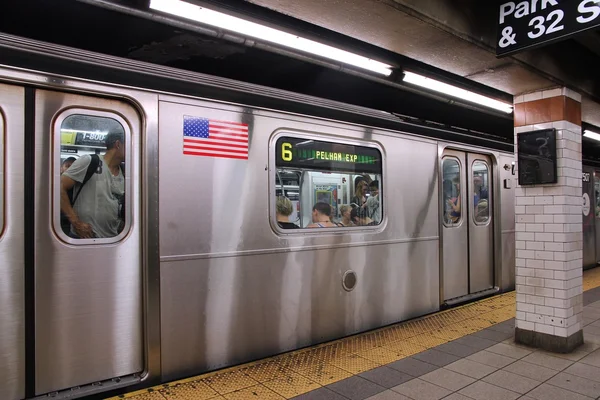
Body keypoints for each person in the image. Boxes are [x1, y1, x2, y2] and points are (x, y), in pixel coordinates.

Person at [60, 131, 125, 238]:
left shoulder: (124, 171)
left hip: (113, 238)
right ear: (118, 144)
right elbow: (59, 187)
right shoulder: (89, 161)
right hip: (85, 237)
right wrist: (76, 223)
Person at [59, 157, 78, 234]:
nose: (70, 169)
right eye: (67, 166)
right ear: (61, 169)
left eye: (73, 167)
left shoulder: (79, 187)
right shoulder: (53, 185)